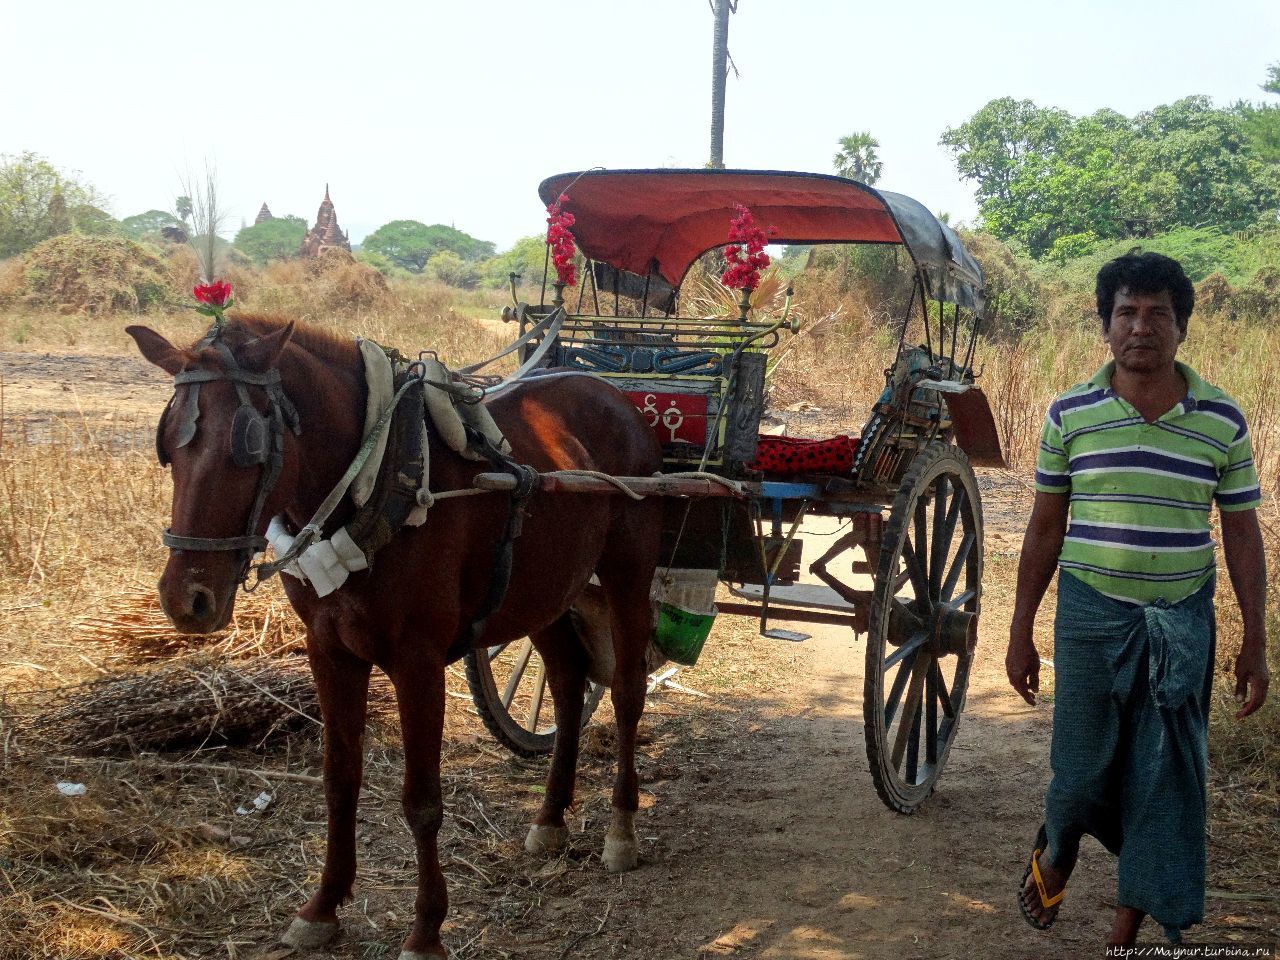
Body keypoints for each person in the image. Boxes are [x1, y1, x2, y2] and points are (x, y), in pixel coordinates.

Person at [1005, 251, 1270, 946]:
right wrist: (1019, 630)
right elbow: (1043, 527)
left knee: (1165, 779)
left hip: (1181, 618)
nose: (1141, 327)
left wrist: (1255, 639)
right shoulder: (1071, 413)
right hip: (1090, 614)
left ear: (1182, 328)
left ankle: (1128, 931)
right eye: (1127, 312)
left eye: (1158, 314)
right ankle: (1058, 846)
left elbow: (1242, 535)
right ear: (1105, 326)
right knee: (1079, 775)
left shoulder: (1222, 421)